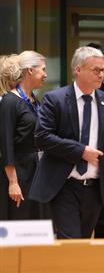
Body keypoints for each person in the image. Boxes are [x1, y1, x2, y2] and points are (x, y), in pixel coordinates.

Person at [29, 46, 104, 239]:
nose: (101, 74)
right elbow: (42, 136)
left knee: (84, 245)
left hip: (94, 188)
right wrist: (80, 151)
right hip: (64, 185)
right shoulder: (56, 99)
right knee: (71, 243)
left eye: (103, 70)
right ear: (78, 70)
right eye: (96, 70)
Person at [0, 52, 47, 220]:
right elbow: (6, 145)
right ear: (30, 71)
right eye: (42, 69)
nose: (45, 74)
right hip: (19, 174)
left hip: (36, 171)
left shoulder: (35, 100)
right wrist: (13, 182)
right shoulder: (10, 101)